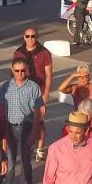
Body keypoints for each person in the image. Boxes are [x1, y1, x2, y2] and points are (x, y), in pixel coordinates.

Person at [0, 56, 45, 184]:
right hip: (9, 127)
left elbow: (38, 111)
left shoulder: (33, 87)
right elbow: (0, 109)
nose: (20, 73)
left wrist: (35, 132)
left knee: (25, 160)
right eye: (17, 70)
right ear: (12, 70)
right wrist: (0, 132)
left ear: (27, 70)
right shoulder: (5, 87)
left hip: (26, 126)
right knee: (10, 160)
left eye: (23, 70)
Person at [13, 28, 53, 160]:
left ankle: (40, 149)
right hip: (24, 91)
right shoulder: (19, 52)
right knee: (26, 121)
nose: (30, 39)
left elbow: (48, 74)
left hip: (39, 91)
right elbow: (14, 72)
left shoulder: (44, 53)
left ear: (37, 37)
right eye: (28, 36)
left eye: (33, 36)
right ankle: (28, 145)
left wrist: (46, 94)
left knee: (40, 121)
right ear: (23, 37)